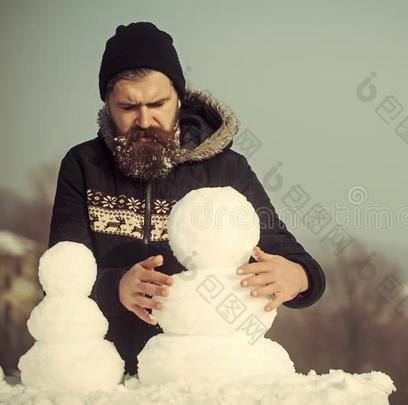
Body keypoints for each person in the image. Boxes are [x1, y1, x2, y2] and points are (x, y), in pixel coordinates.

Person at [48, 21, 326, 375]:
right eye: (128, 107)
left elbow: (299, 263)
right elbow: (60, 277)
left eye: (157, 103)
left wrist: (297, 276)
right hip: (102, 375)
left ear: (179, 98)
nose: (144, 120)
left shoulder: (227, 170)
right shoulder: (82, 165)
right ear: (107, 104)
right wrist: (115, 287)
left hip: (203, 378)